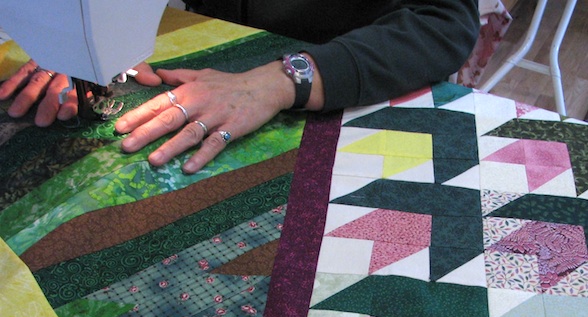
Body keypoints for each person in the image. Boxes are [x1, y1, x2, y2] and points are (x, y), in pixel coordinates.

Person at [0, 0, 479, 174]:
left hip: (356, 75)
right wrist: (79, 32)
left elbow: (442, 22)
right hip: (215, 51)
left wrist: (282, 79)